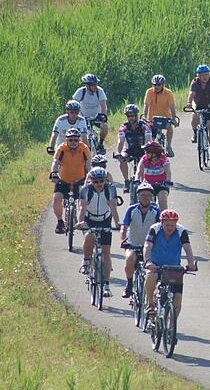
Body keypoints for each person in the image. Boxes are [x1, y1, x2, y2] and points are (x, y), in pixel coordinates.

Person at [143, 209, 198, 318]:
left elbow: (187, 248)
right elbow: (147, 246)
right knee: (151, 275)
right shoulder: (155, 229)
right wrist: (147, 261)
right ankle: (150, 304)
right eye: (167, 225)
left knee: (177, 298)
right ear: (161, 223)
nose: (170, 228)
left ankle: (171, 328)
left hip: (174, 268)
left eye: (172, 225)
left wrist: (191, 263)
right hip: (156, 266)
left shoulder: (181, 231)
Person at [77, 167, 120, 297]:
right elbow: (82, 208)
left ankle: (106, 285)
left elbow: (113, 207)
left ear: (105, 180)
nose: (99, 184)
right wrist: (80, 222)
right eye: (95, 181)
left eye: (101, 181)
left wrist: (117, 223)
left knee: (106, 252)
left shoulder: (110, 189)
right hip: (89, 219)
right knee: (89, 236)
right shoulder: (86, 190)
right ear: (91, 181)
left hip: (105, 220)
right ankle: (86, 262)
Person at [120, 181, 161, 298]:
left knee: (154, 266)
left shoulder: (156, 211)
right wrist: (123, 240)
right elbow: (124, 227)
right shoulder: (131, 209)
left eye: (148, 195)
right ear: (138, 196)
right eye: (143, 195)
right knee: (129, 258)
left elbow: (160, 228)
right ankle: (129, 285)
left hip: (149, 245)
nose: (146, 198)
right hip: (133, 243)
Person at [50, 128, 92, 234]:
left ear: (79, 140)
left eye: (75, 140)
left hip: (80, 180)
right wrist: (54, 173)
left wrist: (89, 176)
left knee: (83, 201)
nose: (73, 142)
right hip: (63, 180)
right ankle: (60, 222)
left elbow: (88, 163)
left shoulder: (84, 148)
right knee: (56, 198)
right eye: (71, 140)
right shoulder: (62, 148)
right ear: (66, 140)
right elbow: (55, 162)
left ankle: (82, 220)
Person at [115, 104, 152, 192]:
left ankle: (144, 183)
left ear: (136, 116)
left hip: (142, 150)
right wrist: (118, 153)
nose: (130, 118)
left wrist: (148, 151)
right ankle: (126, 181)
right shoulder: (124, 127)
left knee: (145, 167)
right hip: (129, 150)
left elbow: (148, 140)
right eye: (128, 116)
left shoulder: (145, 126)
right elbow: (121, 141)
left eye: (132, 116)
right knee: (122, 159)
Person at [187, 64, 210, 159]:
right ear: (199, 76)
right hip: (199, 105)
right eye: (203, 75)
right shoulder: (195, 83)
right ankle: (195, 133)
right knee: (194, 118)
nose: (205, 77)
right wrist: (189, 102)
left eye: (207, 74)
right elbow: (192, 93)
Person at [72, 74, 109, 154]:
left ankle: (100, 144)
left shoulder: (100, 91)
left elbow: (103, 106)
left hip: (96, 117)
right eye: (93, 85)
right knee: (77, 134)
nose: (95, 86)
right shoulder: (81, 92)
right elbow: (73, 105)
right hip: (82, 118)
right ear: (87, 86)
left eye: (96, 84)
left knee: (105, 127)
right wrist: (74, 117)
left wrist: (103, 117)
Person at [143, 75, 176, 157]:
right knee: (151, 141)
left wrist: (174, 118)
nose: (157, 87)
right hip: (152, 119)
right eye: (155, 85)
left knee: (170, 127)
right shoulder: (149, 92)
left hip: (165, 118)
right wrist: (144, 116)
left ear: (163, 85)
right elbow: (146, 105)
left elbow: (172, 106)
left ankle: (168, 147)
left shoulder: (168, 93)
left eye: (159, 85)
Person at [136, 141, 172, 209]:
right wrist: (137, 179)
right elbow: (139, 170)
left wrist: (168, 180)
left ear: (154, 153)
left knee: (162, 200)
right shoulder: (144, 159)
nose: (145, 153)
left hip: (161, 185)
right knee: (145, 203)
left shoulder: (163, 159)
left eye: (147, 152)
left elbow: (168, 171)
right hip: (148, 185)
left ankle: (163, 218)